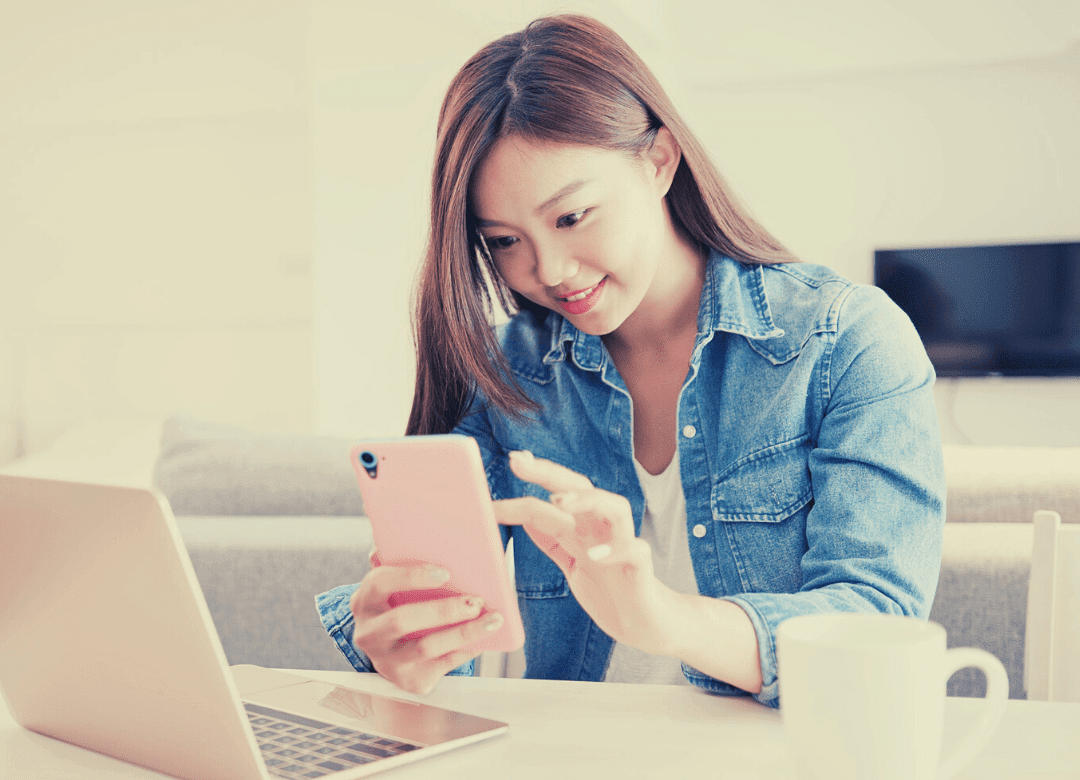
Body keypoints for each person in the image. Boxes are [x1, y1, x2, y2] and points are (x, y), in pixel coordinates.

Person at [316, 14, 945, 708]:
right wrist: (408, 649)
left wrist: (660, 617)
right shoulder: (506, 375)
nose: (548, 271)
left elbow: (878, 623)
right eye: (502, 241)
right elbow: (449, 634)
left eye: (571, 217)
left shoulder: (845, 341)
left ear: (659, 161)